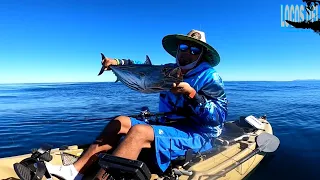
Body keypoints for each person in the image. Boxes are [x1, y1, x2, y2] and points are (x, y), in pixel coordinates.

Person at [44, 29, 228, 180]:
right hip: (170, 124)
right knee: (121, 121)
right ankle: (75, 171)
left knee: (139, 132)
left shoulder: (210, 77)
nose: (187, 53)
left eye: (195, 50)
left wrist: (192, 95)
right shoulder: (170, 70)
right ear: (178, 50)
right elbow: (142, 67)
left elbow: (218, 118)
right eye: (184, 47)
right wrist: (116, 62)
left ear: (202, 55)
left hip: (199, 134)